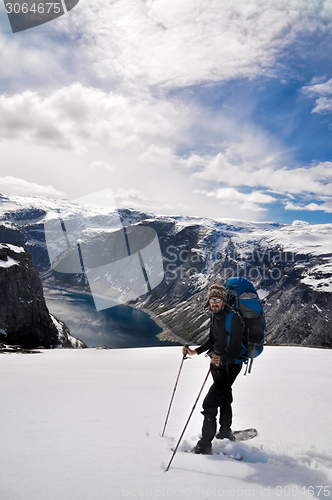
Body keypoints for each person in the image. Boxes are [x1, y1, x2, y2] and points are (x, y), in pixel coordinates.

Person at [183, 283, 244, 454]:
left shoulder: (234, 319)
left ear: (224, 301)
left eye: (218, 299)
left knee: (209, 404)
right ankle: (225, 432)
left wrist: (222, 360)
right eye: (212, 299)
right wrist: (196, 351)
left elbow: (236, 349)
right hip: (217, 365)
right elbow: (212, 340)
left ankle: (204, 445)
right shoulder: (214, 316)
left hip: (230, 367)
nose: (214, 303)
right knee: (224, 398)